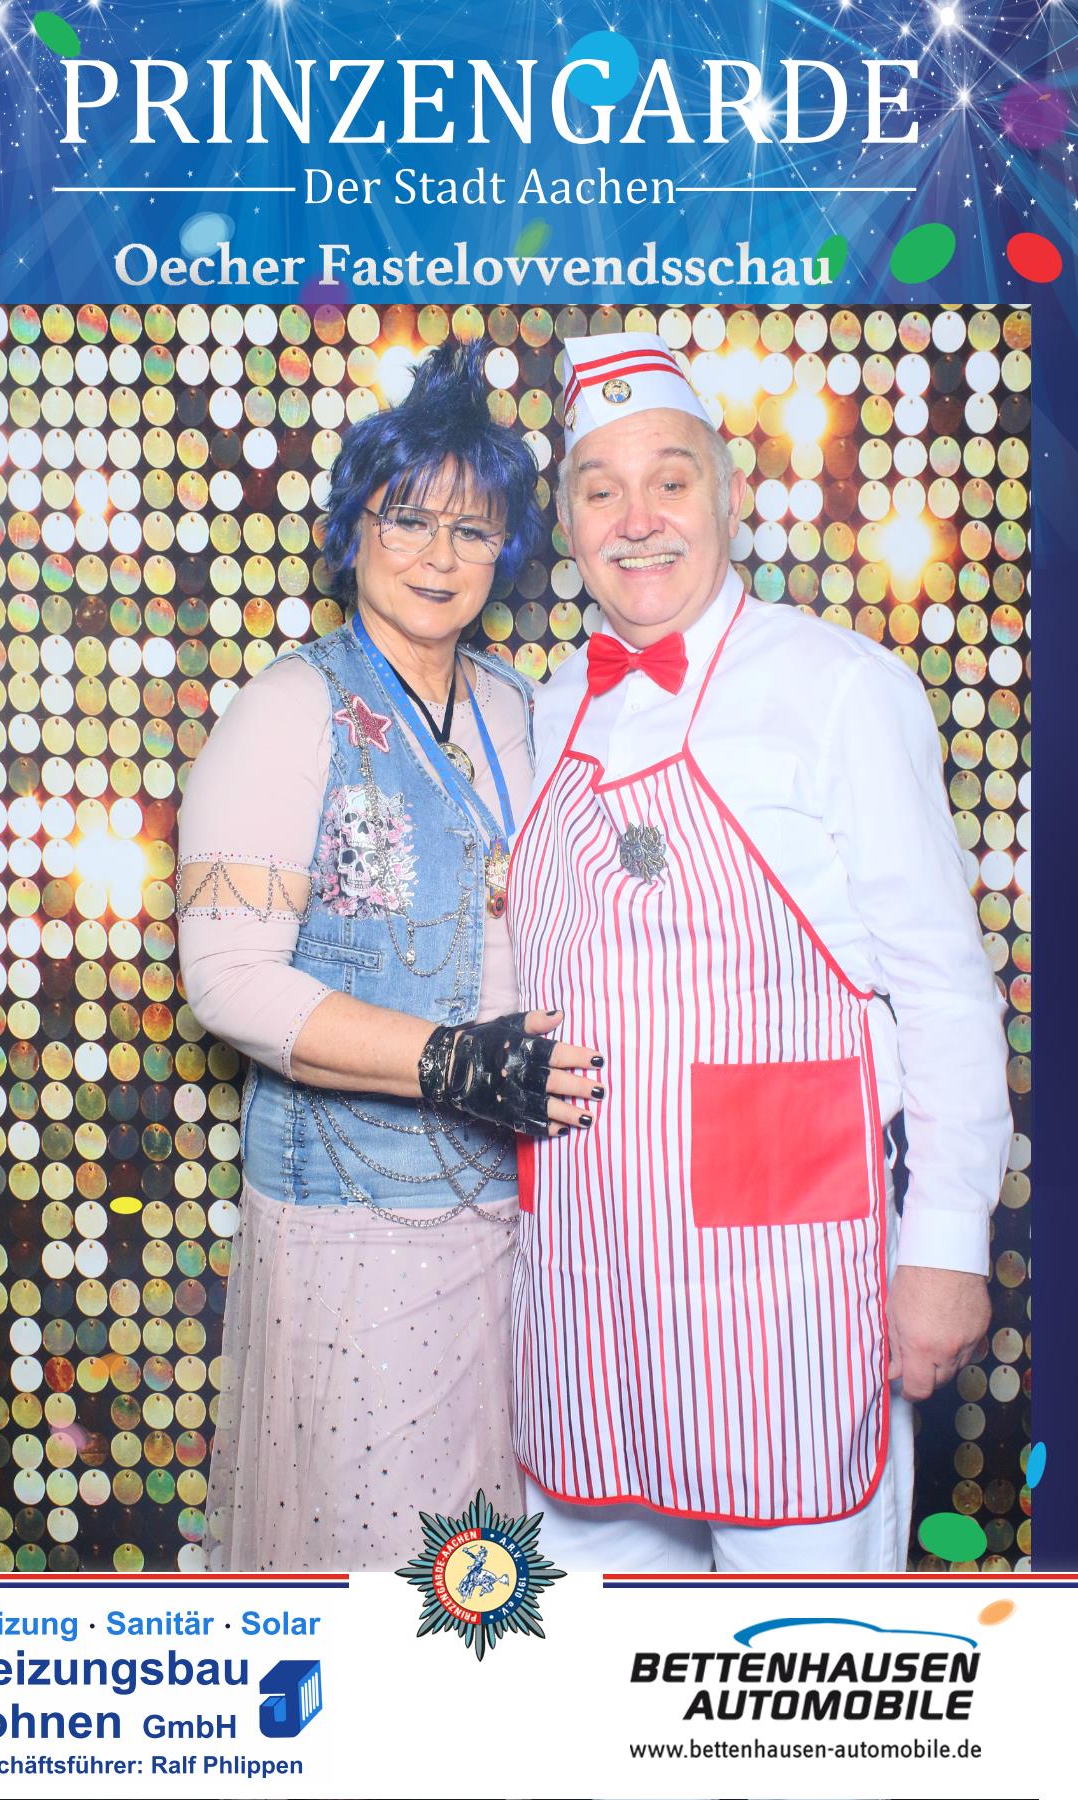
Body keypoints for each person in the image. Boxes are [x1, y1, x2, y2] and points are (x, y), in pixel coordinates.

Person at [505, 331, 1012, 1573]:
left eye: (669, 481)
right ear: (568, 523)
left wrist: (945, 1246)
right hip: (588, 1277)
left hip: (785, 1289)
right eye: (601, 490)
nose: (638, 521)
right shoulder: (551, 702)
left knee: (803, 1664)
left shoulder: (840, 687)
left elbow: (945, 987)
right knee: (596, 1661)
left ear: (727, 497)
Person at [178, 342, 601, 1571]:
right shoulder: (290, 706)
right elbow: (228, 981)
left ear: (506, 551)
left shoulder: (522, 705)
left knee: (494, 1582)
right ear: (355, 527)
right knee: (382, 1577)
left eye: (473, 531)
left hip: (527, 1222)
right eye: (408, 518)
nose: (437, 556)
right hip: (355, 1224)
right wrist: (451, 1061)